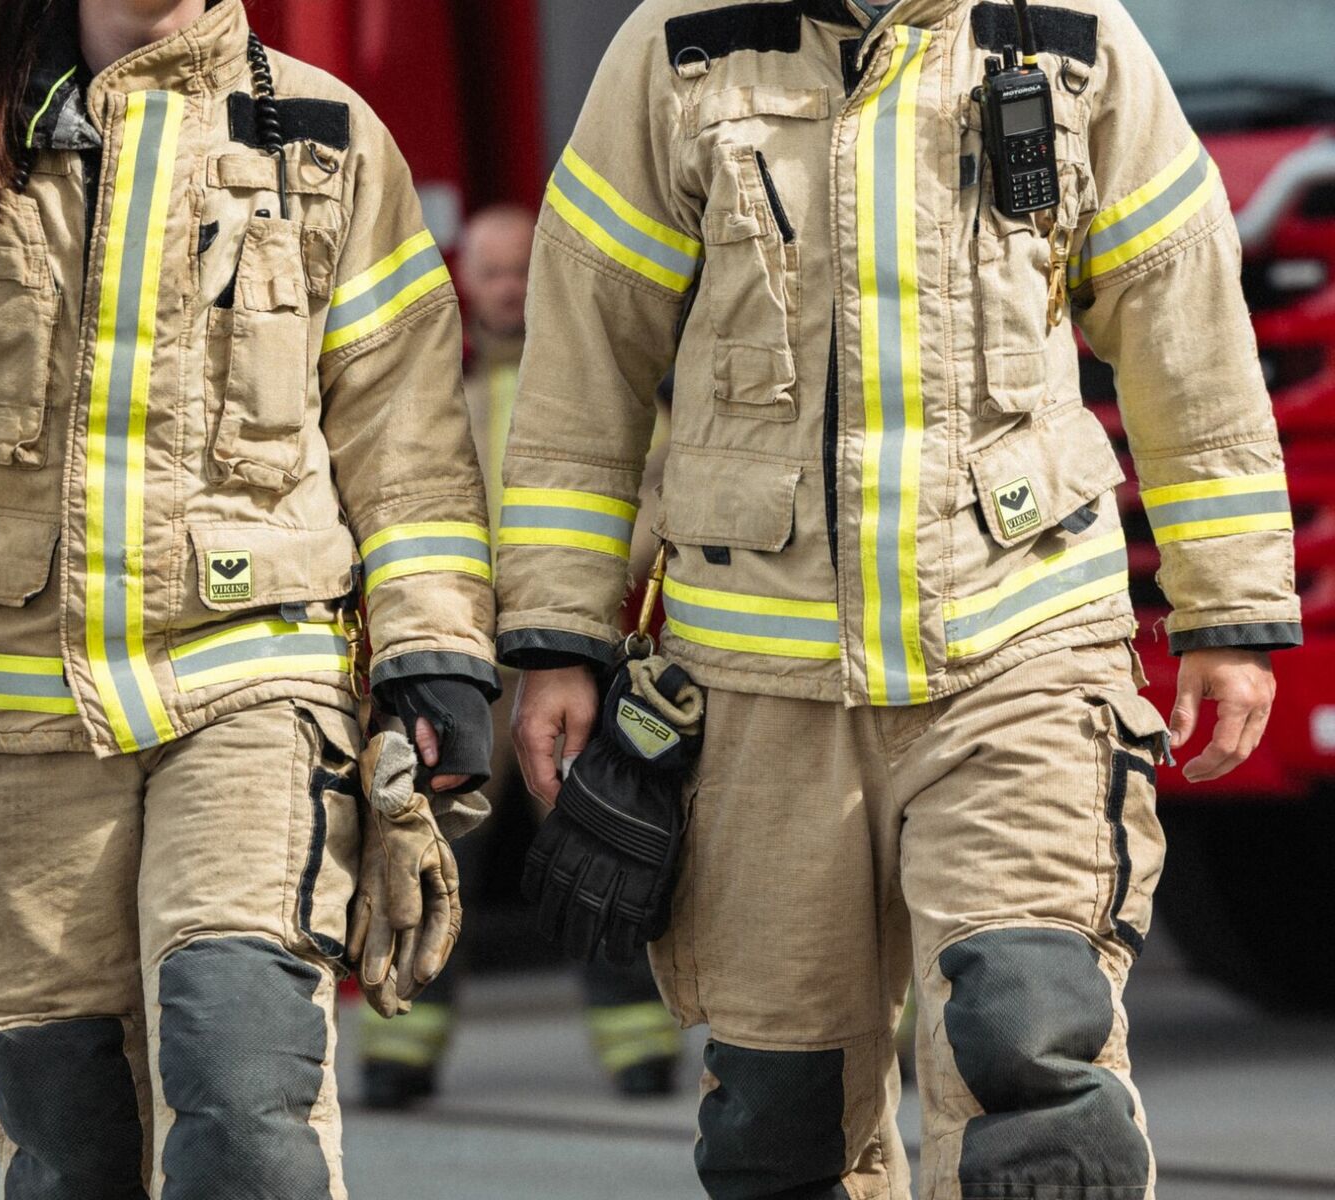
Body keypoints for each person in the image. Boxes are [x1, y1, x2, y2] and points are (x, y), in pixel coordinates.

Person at [498, 2, 1298, 1198]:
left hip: (1021, 644)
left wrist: (1227, 610)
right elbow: (582, 356)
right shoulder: (680, 46)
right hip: (755, 691)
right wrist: (559, 636)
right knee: (781, 1128)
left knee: (1030, 1049)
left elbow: (1187, 326)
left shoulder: (1072, 39)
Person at [0, 0, 497, 1194]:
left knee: (241, 1081)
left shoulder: (327, 137)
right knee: (73, 1146)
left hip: (252, 692)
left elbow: (408, 441)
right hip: (19, 722)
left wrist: (435, 655)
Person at [357, 204, 683, 1107]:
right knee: (429, 849)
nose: (507, 286)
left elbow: (657, 503)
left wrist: (575, 599)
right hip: (461, 660)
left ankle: (637, 1042)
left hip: (572, 652)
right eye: (492, 269)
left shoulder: (607, 393)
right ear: (465, 279)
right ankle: (401, 1045)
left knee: (597, 844)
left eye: (521, 269)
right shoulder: (435, 395)